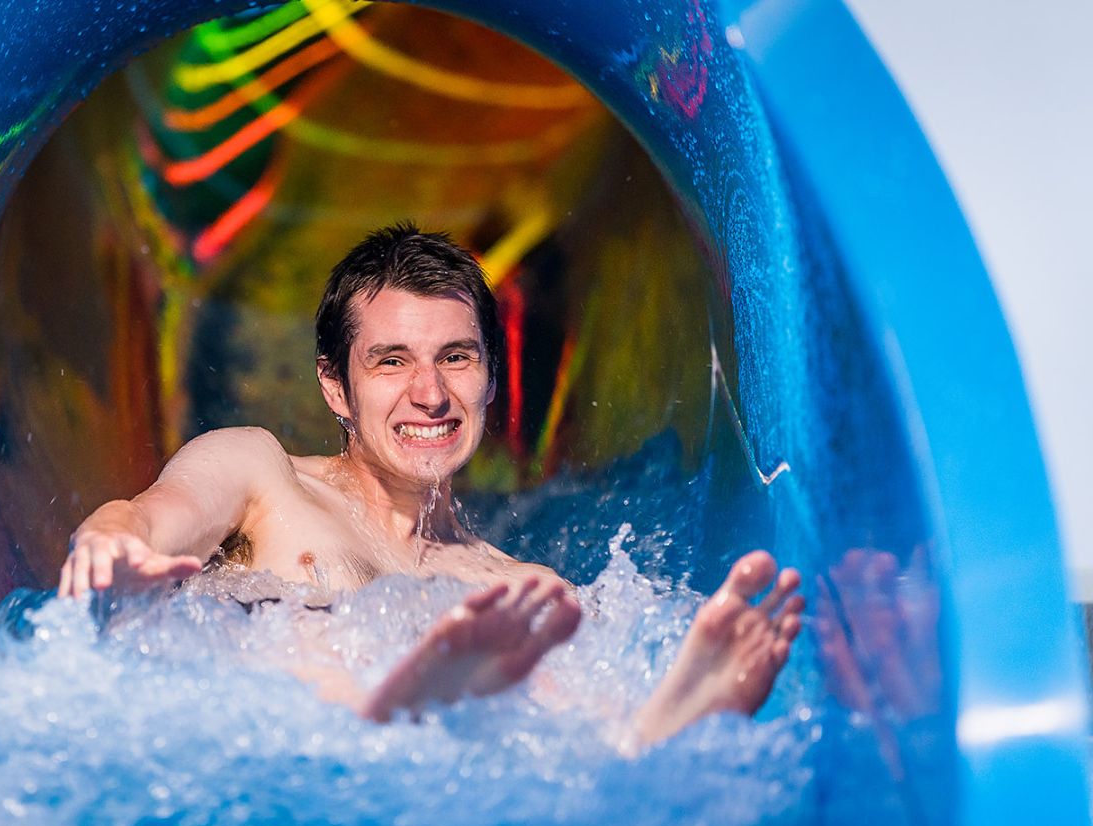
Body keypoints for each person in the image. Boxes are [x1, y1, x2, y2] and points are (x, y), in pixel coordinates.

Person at [58, 223, 804, 744]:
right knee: (290, 630)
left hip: (415, 793)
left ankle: (656, 733)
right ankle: (402, 715)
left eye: (456, 357)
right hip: (262, 748)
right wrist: (112, 544)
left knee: (553, 685)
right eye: (391, 362)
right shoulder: (259, 472)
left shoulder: (514, 587)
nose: (430, 395)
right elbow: (151, 518)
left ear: (490, 380)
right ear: (335, 386)